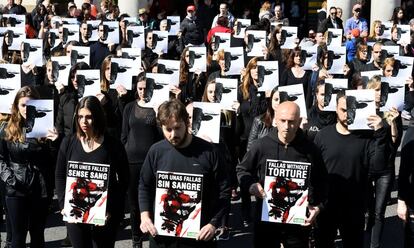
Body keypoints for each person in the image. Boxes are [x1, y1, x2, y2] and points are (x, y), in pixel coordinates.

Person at [138, 98, 230, 248]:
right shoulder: (156, 151)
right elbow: (144, 185)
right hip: (162, 237)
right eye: (168, 129)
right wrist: (145, 216)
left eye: (177, 127)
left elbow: (224, 191)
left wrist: (213, 224)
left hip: (199, 237)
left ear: (187, 122)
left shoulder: (210, 152)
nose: (173, 134)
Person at [237, 101, 327, 247]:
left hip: (297, 221)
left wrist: (318, 207)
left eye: (291, 122)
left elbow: (322, 181)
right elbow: (242, 169)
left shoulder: (311, 149)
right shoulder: (261, 145)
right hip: (266, 218)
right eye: (282, 121)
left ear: (299, 122)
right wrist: (250, 185)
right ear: (275, 121)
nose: (286, 126)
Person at [314, 91, 389, 248]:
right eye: (343, 110)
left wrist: (380, 134)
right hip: (327, 206)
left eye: (351, 110)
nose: (347, 114)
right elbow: (315, 170)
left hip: (354, 206)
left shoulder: (366, 137)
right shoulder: (323, 136)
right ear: (335, 109)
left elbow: (378, 167)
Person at [55, 96, 129, 248]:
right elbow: (60, 175)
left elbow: (124, 179)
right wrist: (63, 205)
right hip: (75, 212)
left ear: (97, 117)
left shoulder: (113, 145)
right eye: (80, 116)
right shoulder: (69, 142)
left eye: (89, 117)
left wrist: (112, 210)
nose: (84, 122)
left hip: (104, 215)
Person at [0, 86, 56, 248]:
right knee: (18, 236)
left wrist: (55, 141)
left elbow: (53, 159)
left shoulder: (46, 127)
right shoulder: (6, 128)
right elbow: (1, 158)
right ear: (16, 105)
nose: (26, 109)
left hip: (40, 186)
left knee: (38, 234)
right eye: (23, 105)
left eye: (30, 105)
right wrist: (10, 179)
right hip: (16, 187)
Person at [121, 73, 162, 248]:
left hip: (151, 162)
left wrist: (159, 113)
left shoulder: (157, 108)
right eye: (140, 88)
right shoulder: (129, 107)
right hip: (132, 162)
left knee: (153, 201)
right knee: (133, 203)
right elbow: (124, 134)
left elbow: (162, 136)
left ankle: (154, 236)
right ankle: (136, 239)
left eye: (146, 88)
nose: (143, 92)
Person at [366, 76, 402, 248]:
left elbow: (395, 140)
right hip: (366, 166)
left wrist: (393, 122)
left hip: (385, 168)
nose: (380, 94)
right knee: (365, 207)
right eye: (377, 90)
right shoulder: (363, 111)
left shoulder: (391, 111)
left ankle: (375, 245)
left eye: (382, 91)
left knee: (379, 211)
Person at [247, 87, 279, 151]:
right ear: (271, 101)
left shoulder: (292, 123)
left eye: (282, 100)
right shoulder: (259, 121)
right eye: (276, 99)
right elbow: (250, 147)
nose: (278, 103)